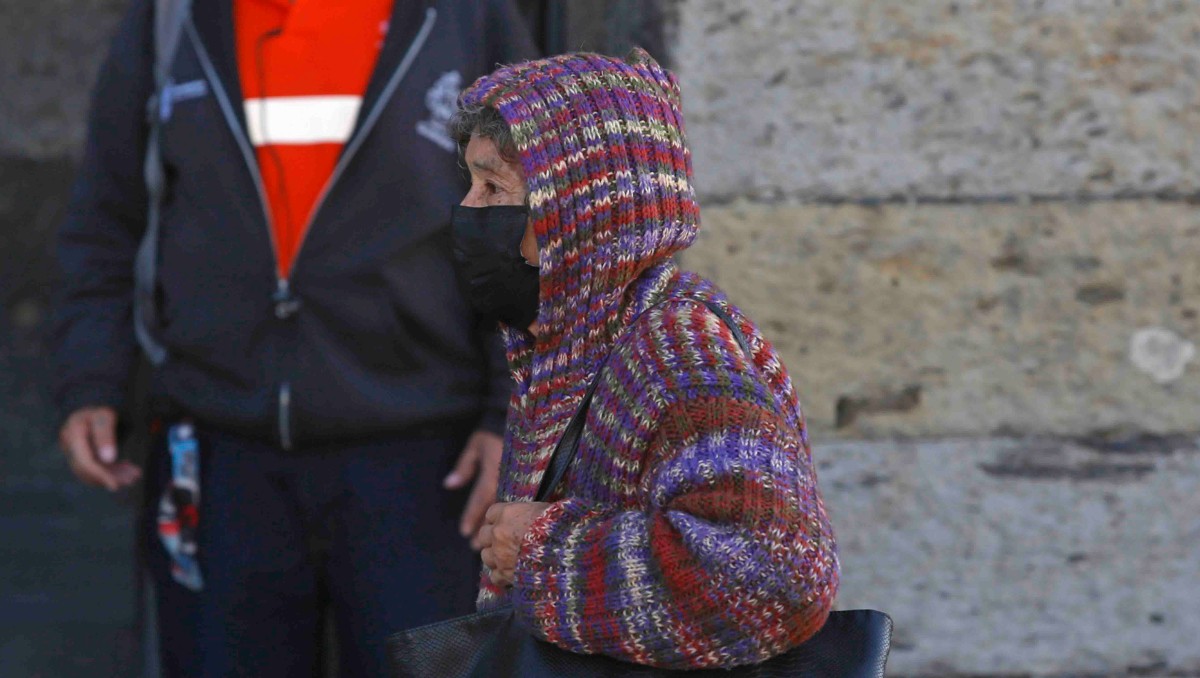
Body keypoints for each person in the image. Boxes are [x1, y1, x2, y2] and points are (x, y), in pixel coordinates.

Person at [52, 0, 535, 675]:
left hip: (425, 465)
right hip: (218, 460)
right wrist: (91, 377)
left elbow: (532, 218)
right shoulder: (172, 18)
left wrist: (510, 410)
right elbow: (108, 212)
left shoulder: (468, 18)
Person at [447, 49, 841, 670]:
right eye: (470, 183)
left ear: (581, 207)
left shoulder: (676, 353)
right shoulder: (569, 340)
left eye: (494, 185)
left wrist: (544, 553)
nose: (469, 210)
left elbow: (776, 574)